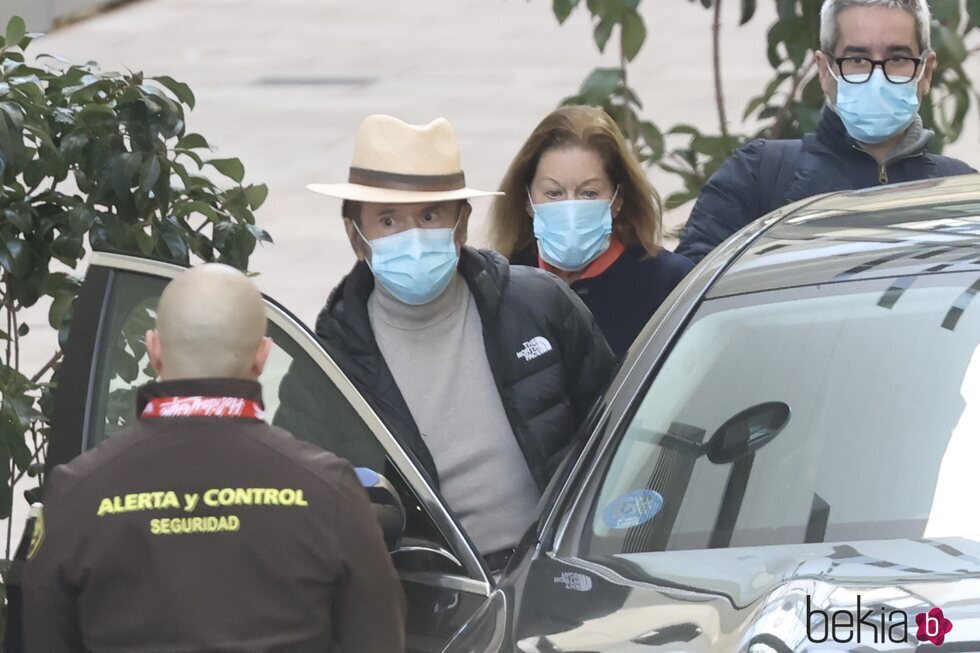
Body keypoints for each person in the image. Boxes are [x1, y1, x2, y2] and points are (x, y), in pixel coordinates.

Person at [22, 264, 405, 653]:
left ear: (154, 350)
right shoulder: (329, 491)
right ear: (262, 355)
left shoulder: (77, 493)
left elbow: (40, 638)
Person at [303, 114, 616, 570]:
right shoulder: (331, 363)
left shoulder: (538, 305)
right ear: (356, 236)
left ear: (462, 223)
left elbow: (616, 430)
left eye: (430, 216)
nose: (413, 237)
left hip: (562, 571)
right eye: (388, 220)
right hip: (437, 598)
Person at [676, 0, 975, 264]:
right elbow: (689, 297)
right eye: (857, 60)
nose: (877, 76)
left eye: (897, 59)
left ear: (926, 72)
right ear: (824, 70)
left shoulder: (964, 195)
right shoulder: (757, 176)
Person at [488, 105, 694, 359]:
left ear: (618, 199)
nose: (571, 207)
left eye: (589, 193)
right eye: (554, 193)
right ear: (528, 200)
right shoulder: (504, 286)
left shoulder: (668, 283)